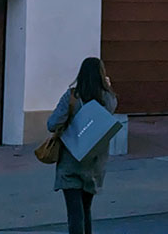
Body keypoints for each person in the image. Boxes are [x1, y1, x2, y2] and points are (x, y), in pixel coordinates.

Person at [47, 57, 118, 234]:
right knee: (86, 209)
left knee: (75, 212)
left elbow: (52, 124)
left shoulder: (72, 97)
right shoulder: (108, 98)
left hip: (71, 159)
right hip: (94, 161)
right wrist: (108, 87)